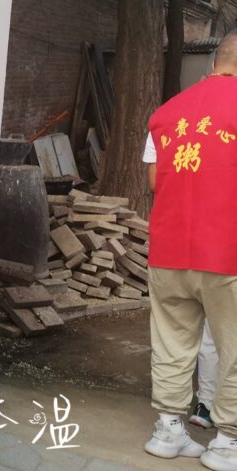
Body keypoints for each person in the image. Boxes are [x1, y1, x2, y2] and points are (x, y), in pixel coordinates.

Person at [142, 32, 237, 471]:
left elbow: (154, 181)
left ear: (214, 61)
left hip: (169, 250)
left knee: (172, 343)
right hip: (227, 253)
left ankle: (168, 431)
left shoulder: (167, 113)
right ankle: (227, 443)